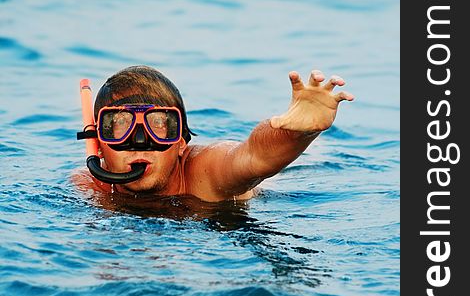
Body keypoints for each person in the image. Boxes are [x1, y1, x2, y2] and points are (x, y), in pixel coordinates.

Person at [74, 65, 353, 202]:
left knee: (302, 162)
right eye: (119, 125)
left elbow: (253, 157)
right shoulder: (91, 189)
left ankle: (314, 148)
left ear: (181, 141)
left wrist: (298, 132)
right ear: (98, 144)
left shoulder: (204, 172)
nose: (139, 141)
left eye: (160, 124)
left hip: (272, 181)